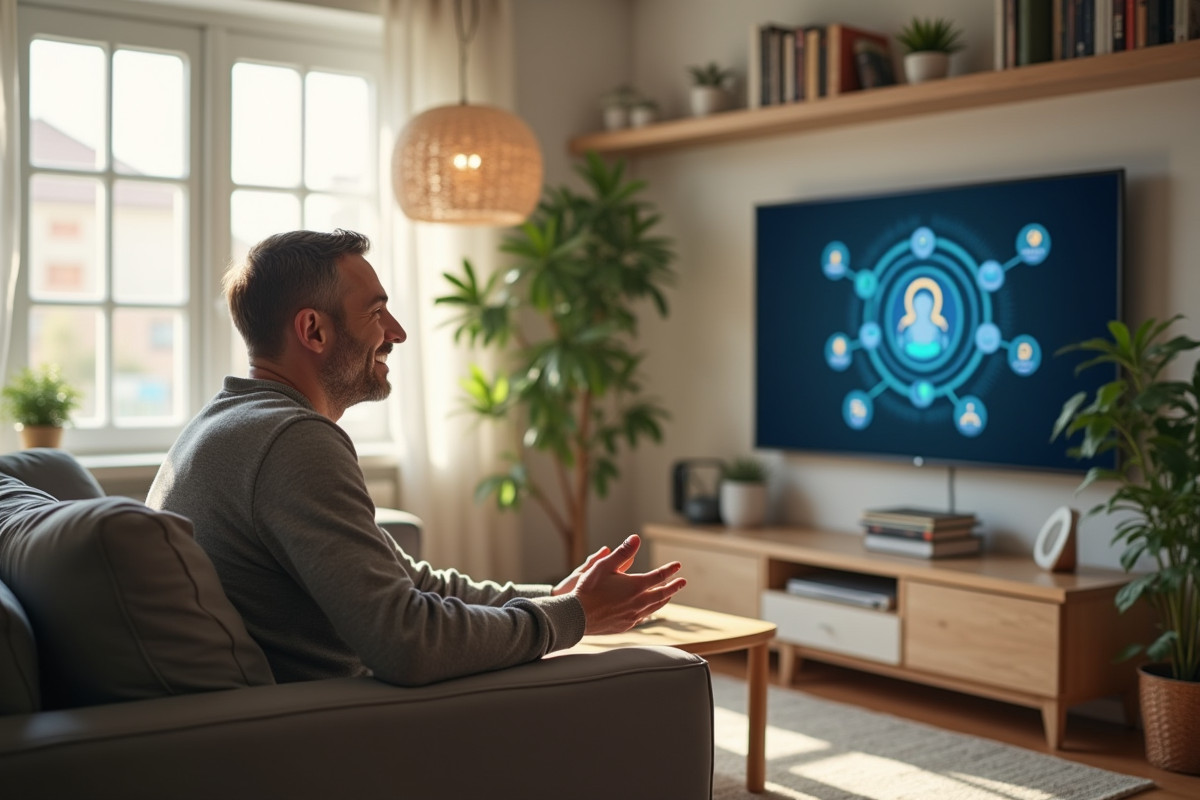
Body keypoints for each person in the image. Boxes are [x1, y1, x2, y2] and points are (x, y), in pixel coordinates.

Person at [147, 229, 685, 686]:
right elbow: (408, 642)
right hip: (334, 728)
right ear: (314, 329)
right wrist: (573, 618)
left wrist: (557, 596)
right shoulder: (292, 440)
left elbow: (408, 582)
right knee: (644, 680)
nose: (397, 332)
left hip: (306, 713)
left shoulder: (230, 421)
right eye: (377, 312)